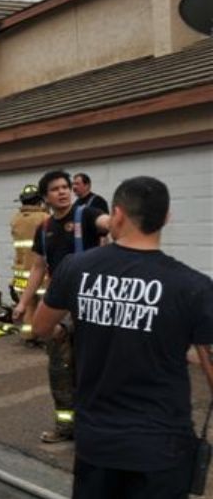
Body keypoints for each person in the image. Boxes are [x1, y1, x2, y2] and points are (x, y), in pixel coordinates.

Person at [33, 176, 213, 499]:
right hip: (163, 448)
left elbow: (41, 327)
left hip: (97, 444)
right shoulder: (194, 287)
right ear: (166, 218)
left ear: (117, 215)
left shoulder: (75, 268)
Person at [13, 169, 110, 444]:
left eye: (66, 187)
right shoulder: (44, 229)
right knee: (59, 368)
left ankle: (95, 427)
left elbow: (108, 223)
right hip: (59, 303)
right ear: (45, 197)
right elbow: (38, 268)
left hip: (90, 302)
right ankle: (66, 426)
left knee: (91, 367)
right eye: (55, 189)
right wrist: (22, 303)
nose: (63, 191)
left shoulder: (86, 215)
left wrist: (120, 225)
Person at [9, 184, 48, 342]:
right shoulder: (45, 218)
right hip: (40, 273)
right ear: (39, 200)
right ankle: (43, 335)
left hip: (20, 272)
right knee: (42, 305)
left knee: (28, 305)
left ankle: (28, 335)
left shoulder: (15, 219)